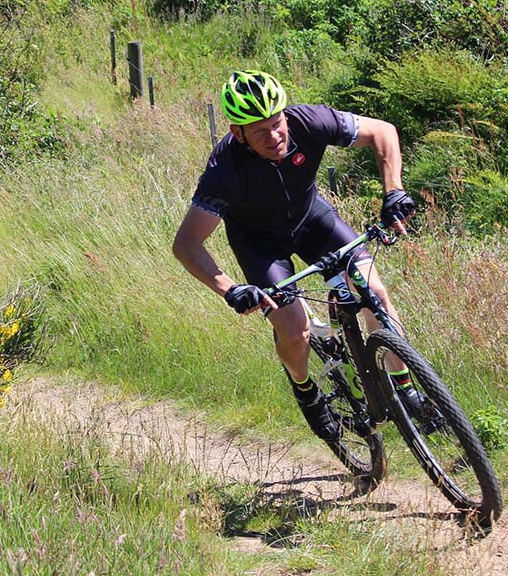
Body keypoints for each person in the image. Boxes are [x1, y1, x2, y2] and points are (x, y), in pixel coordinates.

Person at [172, 70, 419, 441]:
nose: (274, 137)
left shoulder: (309, 121)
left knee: (375, 292)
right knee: (293, 328)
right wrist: (230, 289)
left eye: (276, 123)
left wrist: (394, 191)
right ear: (238, 133)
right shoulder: (224, 171)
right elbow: (187, 244)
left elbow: (382, 131)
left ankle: (405, 387)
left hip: (312, 219)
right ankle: (306, 391)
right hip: (260, 245)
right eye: (259, 131)